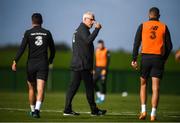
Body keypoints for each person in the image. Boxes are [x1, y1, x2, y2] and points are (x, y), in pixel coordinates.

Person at [131, 7, 172, 121]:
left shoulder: (143, 25)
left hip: (145, 57)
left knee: (143, 85)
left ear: (149, 15)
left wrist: (134, 58)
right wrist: (164, 58)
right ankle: (153, 114)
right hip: (158, 58)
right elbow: (169, 46)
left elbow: (136, 43)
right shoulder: (164, 26)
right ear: (159, 16)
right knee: (156, 88)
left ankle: (143, 111)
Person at [11, 13, 56, 118]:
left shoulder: (28, 33)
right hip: (43, 64)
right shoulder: (47, 33)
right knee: (40, 89)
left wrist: (15, 61)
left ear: (32, 22)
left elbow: (22, 48)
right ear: (42, 21)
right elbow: (53, 50)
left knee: (31, 89)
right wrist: (50, 60)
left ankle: (32, 111)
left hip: (31, 64)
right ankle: (37, 110)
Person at [63, 11, 107, 116]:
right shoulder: (83, 29)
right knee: (89, 88)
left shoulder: (79, 29)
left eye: (93, 19)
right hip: (82, 64)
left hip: (78, 63)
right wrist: (97, 29)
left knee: (73, 87)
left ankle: (67, 109)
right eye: (91, 19)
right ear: (84, 19)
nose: (93, 22)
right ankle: (94, 110)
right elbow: (88, 41)